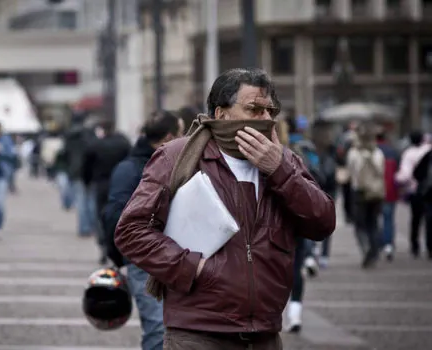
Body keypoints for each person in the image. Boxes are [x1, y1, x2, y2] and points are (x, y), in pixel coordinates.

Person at [115, 68, 336, 349]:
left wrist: (279, 171)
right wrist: (194, 268)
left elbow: (323, 222)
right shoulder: (177, 156)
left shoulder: (285, 161)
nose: (266, 119)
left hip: (264, 334)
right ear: (221, 114)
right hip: (198, 333)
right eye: (254, 109)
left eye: (270, 110)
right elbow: (131, 231)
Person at [102, 111, 184, 350]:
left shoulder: (177, 164)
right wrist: (120, 256)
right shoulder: (131, 169)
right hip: (145, 261)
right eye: (181, 133)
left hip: (180, 258)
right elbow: (114, 217)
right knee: (158, 329)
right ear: (169, 137)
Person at [82, 119, 131, 265]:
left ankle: (104, 245)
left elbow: (86, 165)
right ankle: (117, 245)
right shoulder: (123, 143)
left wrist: (87, 180)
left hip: (101, 184)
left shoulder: (96, 145)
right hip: (120, 183)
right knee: (119, 215)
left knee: (100, 216)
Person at [346, 123, 385, 268]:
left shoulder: (354, 153)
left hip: (359, 192)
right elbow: (381, 172)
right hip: (376, 192)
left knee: (360, 225)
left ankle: (366, 247)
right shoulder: (378, 153)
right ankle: (374, 252)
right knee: (373, 223)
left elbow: (351, 172)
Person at [396, 131, 432, 258]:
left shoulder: (408, 153)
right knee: (429, 219)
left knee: (416, 219)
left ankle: (415, 245)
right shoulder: (428, 150)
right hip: (429, 190)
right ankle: (429, 247)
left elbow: (405, 174)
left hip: (415, 191)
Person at [376, 131, 399, 261]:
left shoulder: (373, 152)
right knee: (389, 219)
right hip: (390, 191)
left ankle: (378, 243)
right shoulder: (392, 152)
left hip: (375, 191)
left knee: (375, 219)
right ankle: (388, 244)